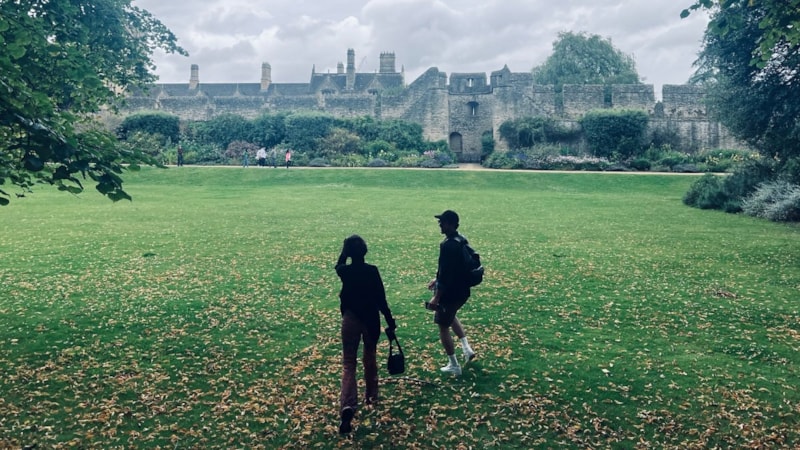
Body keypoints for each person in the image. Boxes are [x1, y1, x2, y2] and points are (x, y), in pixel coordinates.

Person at [335, 235, 397, 434]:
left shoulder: (345, 272)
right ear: (365, 251)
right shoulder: (372, 271)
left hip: (350, 319)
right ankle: (371, 396)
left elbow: (338, 265)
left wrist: (344, 253)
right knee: (369, 357)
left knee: (348, 363)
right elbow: (381, 298)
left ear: (349, 253)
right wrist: (390, 321)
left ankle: (347, 405)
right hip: (371, 320)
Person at [426, 210, 476, 376]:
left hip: (451, 293)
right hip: (462, 291)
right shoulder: (461, 240)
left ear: (452, 224)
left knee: (442, 326)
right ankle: (467, 349)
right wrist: (436, 278)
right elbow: (451, 268)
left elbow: (447, 274)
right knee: (450, 314)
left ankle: (453, 364)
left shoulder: (447, 245)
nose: (440, 224)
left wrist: (437, 297)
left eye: (443, 222)